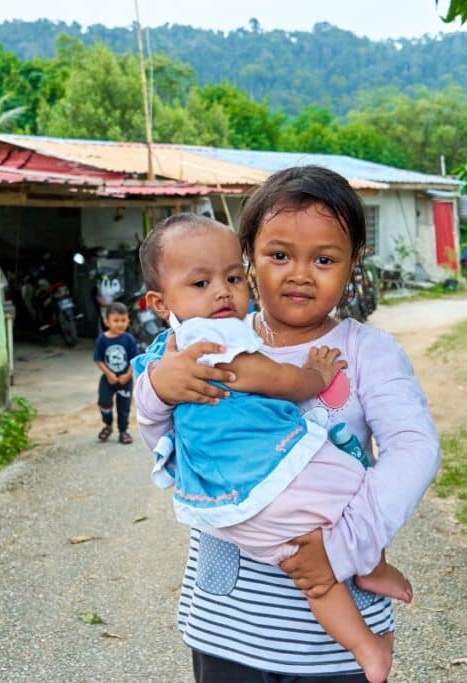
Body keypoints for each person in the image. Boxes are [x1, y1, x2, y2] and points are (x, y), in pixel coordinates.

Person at [134, 166, 440, 683]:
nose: (300, 273)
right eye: (279, 255)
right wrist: (157, 388)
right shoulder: (207, 340)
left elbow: (415, 449)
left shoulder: (367, 352)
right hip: (228, 623)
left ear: (351, 266)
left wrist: (343, 548)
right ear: (249, 256)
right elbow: (171, 441)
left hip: (331, 640)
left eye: (324, 259)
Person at [94, 301, 140, 445]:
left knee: (123, 407)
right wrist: (108, 374)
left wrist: (128, 374)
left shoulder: (129, 339)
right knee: (104, 404)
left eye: (123, 320)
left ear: (128, 321)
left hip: (125, 380)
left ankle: (123, 431)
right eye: (116, 320)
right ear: (107, 321)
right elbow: (98, 359)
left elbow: (135, 359)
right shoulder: (102, 339)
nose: (120, 324)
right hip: (108, 379)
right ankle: (107, 425)